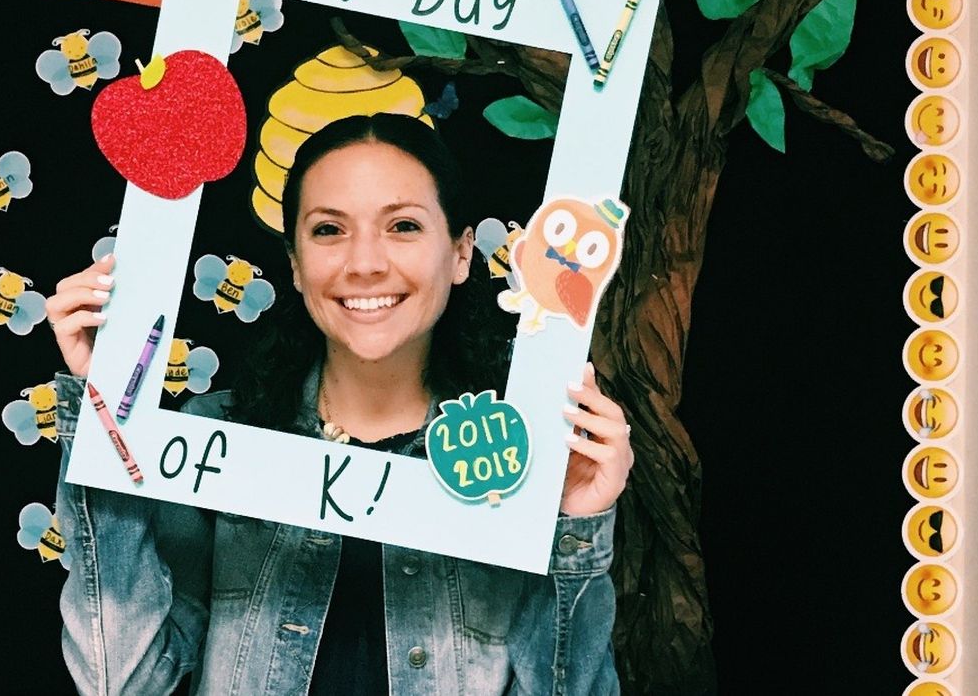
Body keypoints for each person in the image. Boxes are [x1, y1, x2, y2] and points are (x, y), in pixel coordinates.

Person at [49, 113, 634, 695]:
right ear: (295, 264)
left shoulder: (516, 462)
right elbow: (120, 681)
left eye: (403, 226)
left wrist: (573, 525)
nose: (365, 263)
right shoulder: (210, 439)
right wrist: (105, 415)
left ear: (460, 253)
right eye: (329, 230)